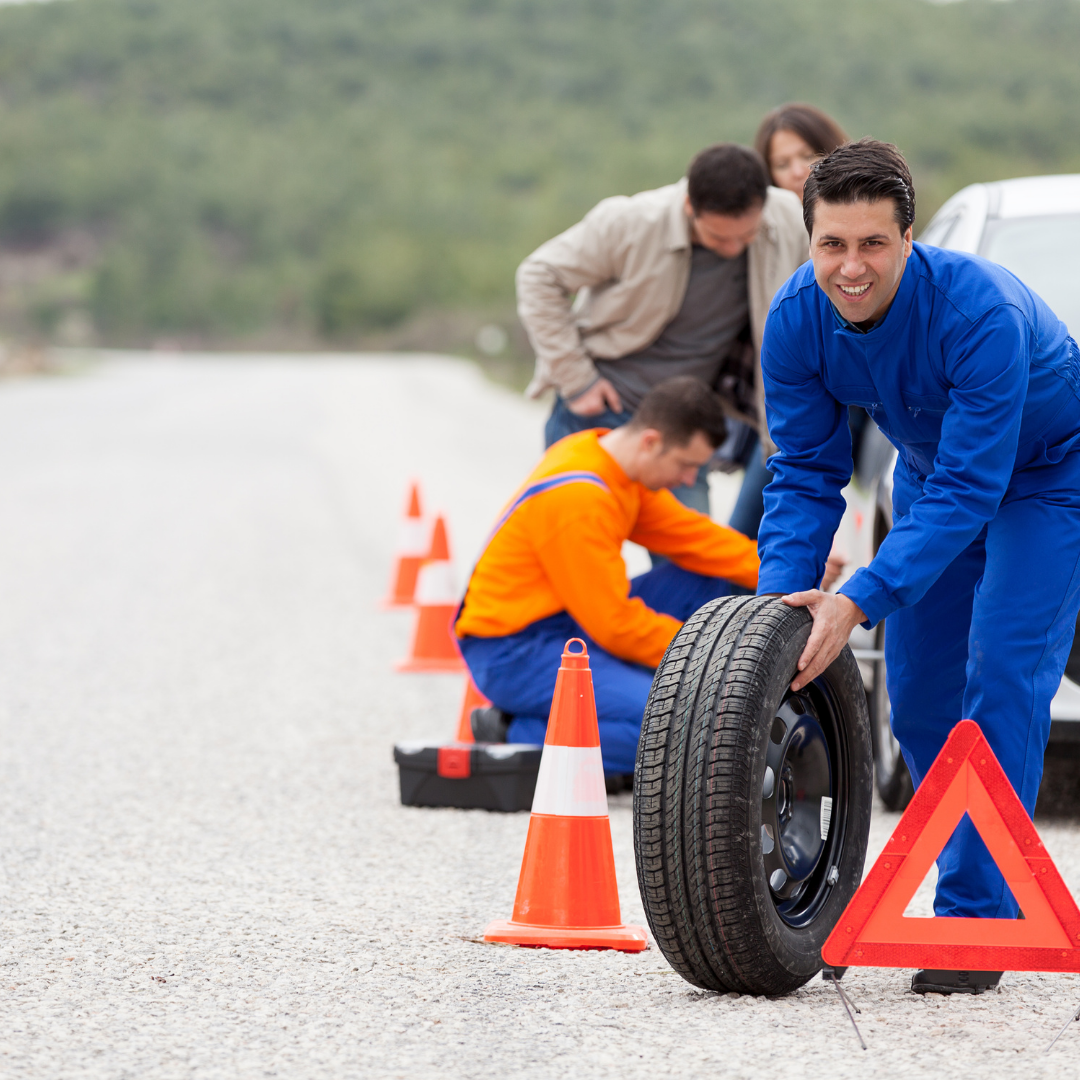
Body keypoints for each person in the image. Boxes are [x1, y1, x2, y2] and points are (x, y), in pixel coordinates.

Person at [756, 138, 1080, 995]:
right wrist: (783, 605)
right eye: (833, 244)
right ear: (810, 240)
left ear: (909, 240)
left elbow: (980, 483)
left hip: (1047, 480)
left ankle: (977, 918)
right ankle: (977, 876)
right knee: (924, 695)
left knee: (1002, 672)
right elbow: (804, 471)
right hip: (936, 479)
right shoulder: (796, 321)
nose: (851, 267)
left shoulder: (978, 315)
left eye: (872, 244)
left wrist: (860, 595)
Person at [455, 377, 758, 785]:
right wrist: (708, 661)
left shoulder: (613, 463)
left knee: (716, 582)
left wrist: (785, 568)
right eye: (686, 465)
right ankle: (512, 731)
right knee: (670, 728)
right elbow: (616, 626)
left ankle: (607, 703)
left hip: (570, 621)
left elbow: (696, 539)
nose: (690, 479)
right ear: (651, 441)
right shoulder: (580, 497)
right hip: (514, 650)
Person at [516, 143, 807, 516]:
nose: (734, 248)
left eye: (747, 235)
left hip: (684, 424)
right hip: (601, 409)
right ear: (690, 206)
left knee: (687, 562)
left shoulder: (786, 217)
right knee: (571, 537)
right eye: (720, 238)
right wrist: (576, 380)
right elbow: (539, 275)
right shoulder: (631, 221)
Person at [725, 104, 850, 540]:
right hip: (786, 396)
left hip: (848, 391)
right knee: (759, 525)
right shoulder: (758, 231)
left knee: (774, 522)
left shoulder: (860, 220)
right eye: (782, 163)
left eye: (809, 156)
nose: (798, 171)